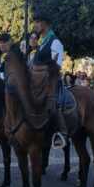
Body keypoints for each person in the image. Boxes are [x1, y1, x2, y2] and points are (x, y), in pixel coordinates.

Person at [30, 15, 68, 149]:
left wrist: (39, 70)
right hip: (38, 82)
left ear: (45, 24)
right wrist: (34, 49)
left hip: (51, 81)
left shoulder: (54, 42)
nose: (35, 26)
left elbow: (56, 66)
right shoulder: (43, 43)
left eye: (37, 22)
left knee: (54, 104)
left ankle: (61, 133)